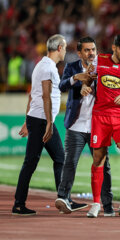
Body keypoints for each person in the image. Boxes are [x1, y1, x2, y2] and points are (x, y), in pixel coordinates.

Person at [81, 34, 120, 218]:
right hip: (100, 117)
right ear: (114, 47)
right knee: (98, 159)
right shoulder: (98, 61)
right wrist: (85, 87)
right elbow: (87, 81)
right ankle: (95, 203)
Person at [54, 37, 114, 216]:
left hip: (98, 125)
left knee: (104, 166)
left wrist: (93, 88)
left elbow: (112, 88)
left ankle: (108, 205)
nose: (91, 53)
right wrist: (76, 79)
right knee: (70, 162)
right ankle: (63, 198)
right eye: (87, 50)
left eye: (93, 49)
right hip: (76, 124)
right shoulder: (71, 67)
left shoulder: (104, 66)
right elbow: (61, 85)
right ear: (79, 53)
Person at [12, 34, 67, 215]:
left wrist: (28, 120)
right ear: (59, 48)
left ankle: (62, 198)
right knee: (32, 162)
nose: (65, 51)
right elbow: (45, 96)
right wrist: (50, 123)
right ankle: (19, 204)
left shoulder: (41, 65)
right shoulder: (47, 68)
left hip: (38, 119)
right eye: (65, 47)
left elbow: (32, 95)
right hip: (43, 120)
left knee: (58, 158)